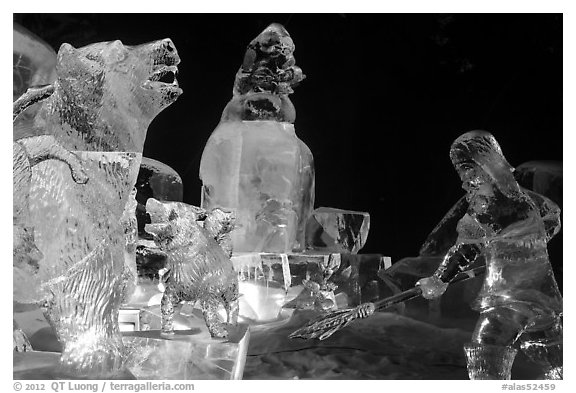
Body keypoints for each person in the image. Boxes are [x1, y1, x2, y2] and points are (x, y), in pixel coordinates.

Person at [417, 130, 562, 380]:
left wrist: (439, 280)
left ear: (484, 163)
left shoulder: (487, 202)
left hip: (511, 298)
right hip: (545, 297)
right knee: (555, 358)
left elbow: (466, 249)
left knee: (487, 348)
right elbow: (553, 217)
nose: (464, 177)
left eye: (465, 167)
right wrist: (527, 244)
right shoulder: (525, 196)